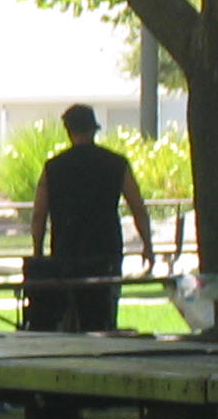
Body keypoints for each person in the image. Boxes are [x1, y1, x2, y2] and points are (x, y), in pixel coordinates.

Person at [28, 104, 153, 334]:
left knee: (67, 317)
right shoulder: (117, 164)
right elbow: (138, 207)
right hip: (106, 250)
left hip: (66, 252)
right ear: (94, 129)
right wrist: (147, 245)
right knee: (103, 316)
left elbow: (38, 214)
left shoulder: (53, 167)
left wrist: (38, 252)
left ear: (68, 130)